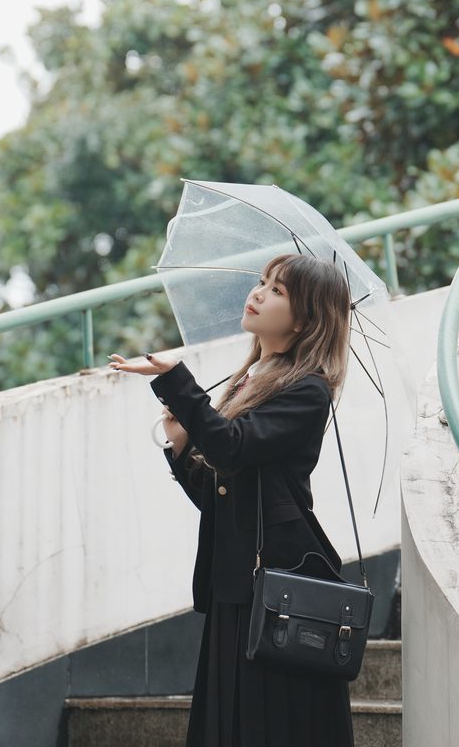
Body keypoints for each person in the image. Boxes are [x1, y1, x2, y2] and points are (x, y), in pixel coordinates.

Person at [108, 253, 356, 747]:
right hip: (238, 576)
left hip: (277, 578)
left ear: (305, 320)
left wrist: (179, 383)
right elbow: (221, 497)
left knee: (271, 721)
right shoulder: (253, 380)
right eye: (262, 282)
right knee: (234, 721)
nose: (258, 293)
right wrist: (182, 442)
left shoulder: (308, 391)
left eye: (278, 290)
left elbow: (231, 448)